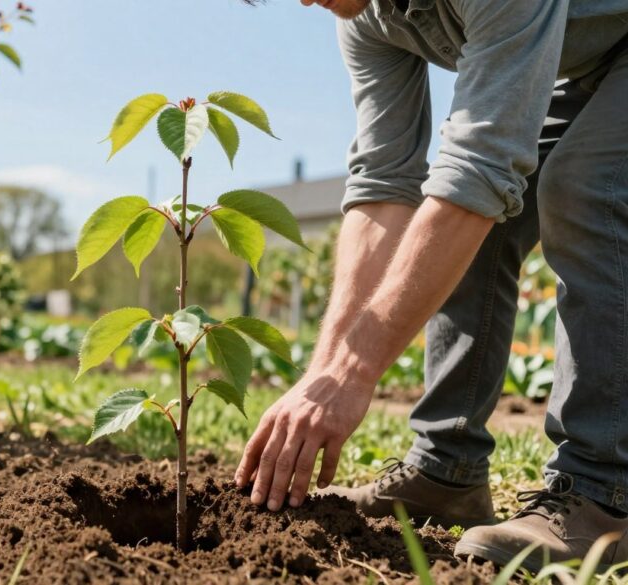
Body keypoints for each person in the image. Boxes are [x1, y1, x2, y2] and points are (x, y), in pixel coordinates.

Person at [235, 0, 628, 571]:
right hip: (586, 59)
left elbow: (481, 165)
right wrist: (327, 370)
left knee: (583, 187)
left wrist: (354, 372)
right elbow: (382, 183)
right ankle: (448, 470)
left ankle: (605, 496)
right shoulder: (366, 19)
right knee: (470, 215)